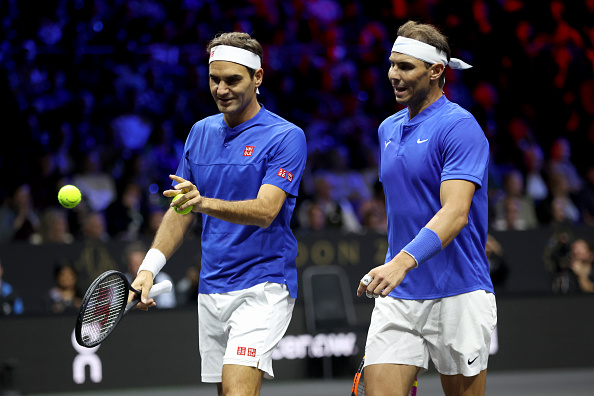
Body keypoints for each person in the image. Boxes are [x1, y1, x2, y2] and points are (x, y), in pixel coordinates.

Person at [127, 32, 307, 396]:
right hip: (211, 289)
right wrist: (148, 270)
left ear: (258, 78)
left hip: (264, 285)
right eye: (215, 79)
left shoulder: (287, 137)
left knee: (238, 390)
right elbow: (180, 211)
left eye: (233, 80)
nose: (222, 89)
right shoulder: (199, 132)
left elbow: (266, 211)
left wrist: (203, 202)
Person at [356, 21, 497, 396]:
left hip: (459, 291)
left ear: (436, 71)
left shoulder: (459, 127)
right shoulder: (387, 128)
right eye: (391, 64)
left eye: (405, 67)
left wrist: (400, 262)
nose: (393, 75)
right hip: (399, 296)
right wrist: (396, 267)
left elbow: (456, 212)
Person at [124, 241, 176, 308]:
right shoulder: (122, 283)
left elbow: (168, 307)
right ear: (129, 266)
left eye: (140, 263)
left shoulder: (162, 279)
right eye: (134, 264)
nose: (138, 267)